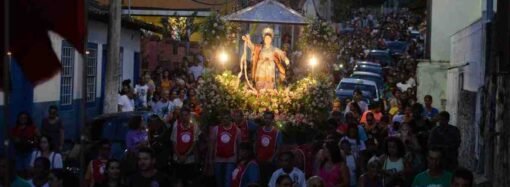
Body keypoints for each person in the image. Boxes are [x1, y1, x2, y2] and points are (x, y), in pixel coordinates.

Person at [170, 107, 201, 187]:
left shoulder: (194, 126)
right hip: (178, 157)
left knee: (190, 180)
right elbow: (174, 142)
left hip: (189, 158)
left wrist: (186, 155)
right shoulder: (176, 127)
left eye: (186, 115)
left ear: (189, 116)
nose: (184, 117)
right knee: (179, 180)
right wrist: (179, 156)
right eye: (182, 115)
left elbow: (194, 142)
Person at [210, 114, 241, 187]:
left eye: (226, 118)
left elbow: (239, 145)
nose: (224, 120)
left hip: (231, 160)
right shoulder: (216, 129)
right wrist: (211, 158)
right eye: (223, 118)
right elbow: (212, 144)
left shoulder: (237, 130)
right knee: (219, 181)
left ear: (230, 119)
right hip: (218, 159)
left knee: (228, 181)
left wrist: (239, 159)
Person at [256, 111, 283, 186]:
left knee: (271, 181)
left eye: (269, 118)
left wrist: (272, 158)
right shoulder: (259, 130)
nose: (267, 120)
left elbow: (279, 148)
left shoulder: (277, 132)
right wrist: (257, 155)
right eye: (266, 118)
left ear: (272, 120)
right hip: (260, 160)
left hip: (271, 162)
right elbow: (257, 144)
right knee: (262, 181)